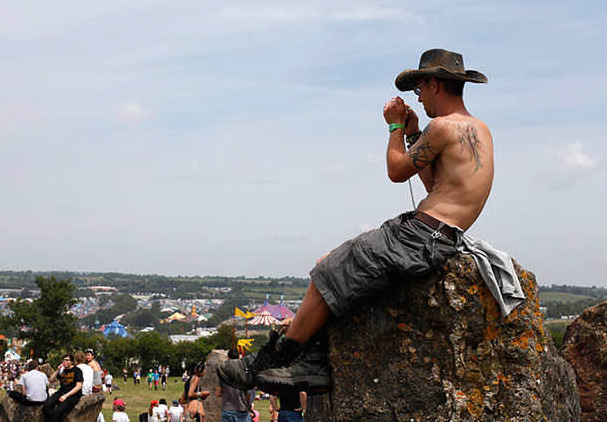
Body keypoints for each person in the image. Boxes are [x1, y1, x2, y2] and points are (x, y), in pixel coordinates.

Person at [218, 48, 508, 395]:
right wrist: (415, 135)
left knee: (324, 273)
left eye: (418, 89)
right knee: (331, 264)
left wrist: (395, 127)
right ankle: (312, 357)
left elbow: (396, 171)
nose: (418, 97)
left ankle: (271, 362)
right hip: (439, 234)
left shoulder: (443, 126)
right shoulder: (480, 129)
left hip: (421, 235)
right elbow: (436, 185)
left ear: (433, 84)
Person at [43, 353, 83, 422]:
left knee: (60, 409)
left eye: (67, 360)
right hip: (62, 391)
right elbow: (51, 380)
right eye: (64, 360)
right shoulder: (62, 370)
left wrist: (66, 396)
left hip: (73, 394)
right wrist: (58, 370)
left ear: (72, 362)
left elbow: (79, 386)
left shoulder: (77, 370)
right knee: (47, 405)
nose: (65, 362)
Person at [216, 350, 252, 422]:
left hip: (227, 409)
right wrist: (248, 405)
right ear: (239, 358)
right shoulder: (244, 374)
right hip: (242, 408)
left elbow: (218, 393)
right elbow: (248, 394)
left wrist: (227, 393)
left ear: (228, 358)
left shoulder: (222, 374)